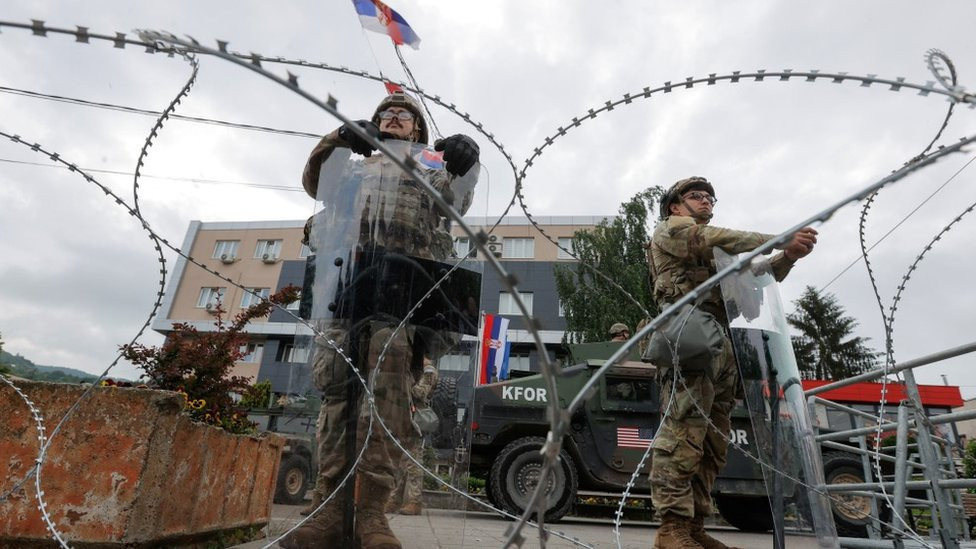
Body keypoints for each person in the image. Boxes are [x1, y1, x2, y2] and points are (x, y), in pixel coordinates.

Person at [280, 91, 479, 549]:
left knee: (387, 402)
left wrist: (467, 162)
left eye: (404, 115)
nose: (393, 117)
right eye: (386, 113)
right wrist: (339, 137)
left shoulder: (430, 171)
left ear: (418, 129)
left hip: (401, 299)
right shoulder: (353, 168)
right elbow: (316, 183)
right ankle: (328, 510)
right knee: (339, 399)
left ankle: (371, 512)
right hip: (347, 293)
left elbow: (458, 201)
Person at [646, 176, 817, 549]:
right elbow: (707, 239)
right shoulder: (673, 230)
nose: (706, 200)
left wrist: (787, 256)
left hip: (722, 344)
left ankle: (693, 527)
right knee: (683, 433)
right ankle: (671, 528)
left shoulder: (721, 251)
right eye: (696, 196)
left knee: (712, 442)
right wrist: (777, 239)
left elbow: (755, 279)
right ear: (675, 206)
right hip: (690, 338)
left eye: (710, 197)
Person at [388, 358, 439, 515]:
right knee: (401, 461)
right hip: (404, 417)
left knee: (414, 461)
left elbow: (420, 392)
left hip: (416, 420)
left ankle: (414, 501)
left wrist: (405, 382)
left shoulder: (428, 371)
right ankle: (394, 500)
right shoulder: (413, 369)